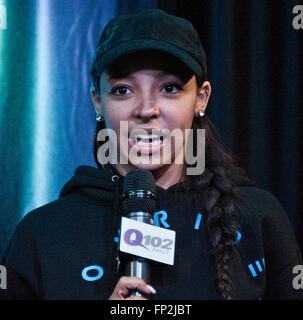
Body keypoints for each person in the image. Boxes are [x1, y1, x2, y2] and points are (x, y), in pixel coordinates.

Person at [1, 9, 302, 300]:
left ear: (201, 99)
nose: (146, 109)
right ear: (97, 102)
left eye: (169, 88)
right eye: (122, 90)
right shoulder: (43, 234)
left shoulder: (258, 218)